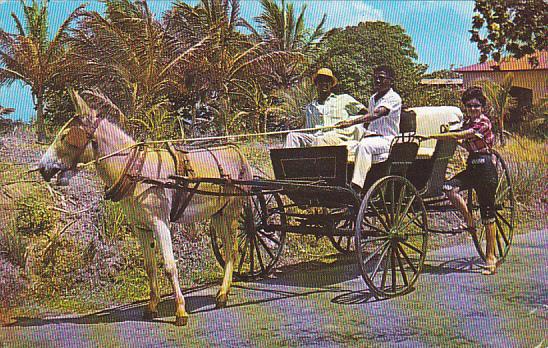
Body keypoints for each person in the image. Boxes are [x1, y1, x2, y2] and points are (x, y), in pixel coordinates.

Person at [429, 86, 498, 275]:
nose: (473, 109)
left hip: (485, 168)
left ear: (482, 107)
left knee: (488, 215)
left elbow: (463, 135)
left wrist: (444, 135)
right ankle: (469, 221)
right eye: (469, 106)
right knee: (449, 188)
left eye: (476, 105)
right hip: (472, 168)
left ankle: (491, 257)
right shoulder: (466, 121)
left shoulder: (484, 122)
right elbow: (458, 136)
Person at [334, 65, 402, 189]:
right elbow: (368, 122)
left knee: (364, 146)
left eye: (381, 78)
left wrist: (350, 122)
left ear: (390, 80)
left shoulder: (394, 98)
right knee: (343, 148)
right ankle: (340, 184)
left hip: (386, 140)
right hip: (369, 138)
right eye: (375, 78)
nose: (377, 81)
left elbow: (376, 114)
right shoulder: (373, 98)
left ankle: (356, 186)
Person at [284, 68, 367, 149]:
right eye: (320, 81)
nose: (324, 83)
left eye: (327, 81)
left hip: (336, 136)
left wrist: (353, 124)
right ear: (316, 84)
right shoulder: (310, 107)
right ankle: (287, 162)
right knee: (292, 136)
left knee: (319, 140)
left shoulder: (344, 99)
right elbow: (309, 130)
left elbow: (366, 114)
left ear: (331, 84)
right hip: (316, 138)